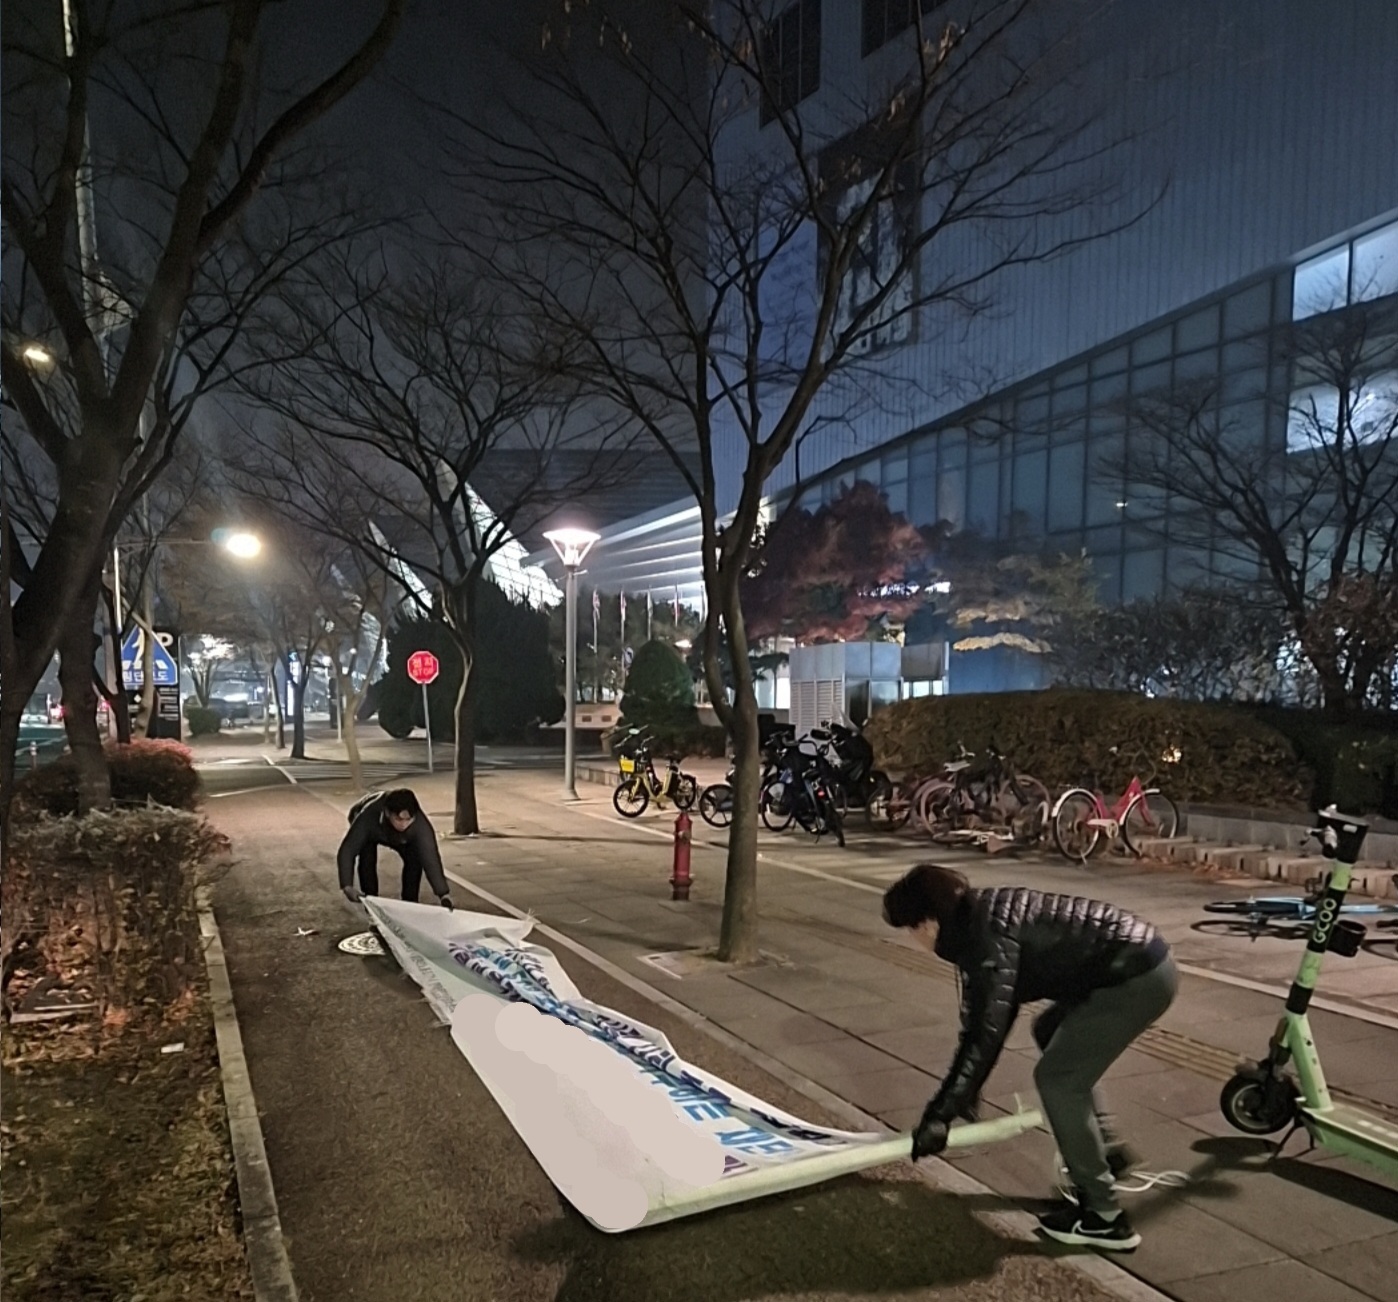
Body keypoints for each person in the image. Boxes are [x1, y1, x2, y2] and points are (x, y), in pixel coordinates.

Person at [882, 863, 1177, 1251]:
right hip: (1136, 962)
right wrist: (963, 1095)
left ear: (927, 923)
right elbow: (988, 1023)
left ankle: (1104, 1217)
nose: (912, 938)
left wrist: (940, 1115)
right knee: (1050, 1032)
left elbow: (983, 1034)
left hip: (1135, 979)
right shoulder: (977, 918)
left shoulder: (984, 940)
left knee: (1058, 1080)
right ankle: (1103, 1151)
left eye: (909, 928)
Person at [337, 788, 455, 909]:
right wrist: (347, 886)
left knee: (415, 859)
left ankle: (410, 904)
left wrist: (443, 894)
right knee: (367, 857)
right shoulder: (368, 816)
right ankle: (371, 904)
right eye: (399, 819)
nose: (403, 824)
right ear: (388, 813)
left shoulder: (420, 825)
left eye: (408, 819)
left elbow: (431, 858)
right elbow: (348, 850)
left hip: (401, 837)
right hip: (371, 829)